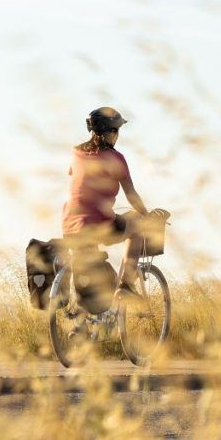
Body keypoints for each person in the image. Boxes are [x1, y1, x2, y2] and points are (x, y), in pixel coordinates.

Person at [61, 107, 152, 299]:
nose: (117, 135)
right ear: (108, 132)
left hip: (70, 225)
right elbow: (131, 194)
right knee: (137, 226)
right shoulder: (116, 158)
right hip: (98, 225)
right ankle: (127, 285)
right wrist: (145, 213)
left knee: (92, 271)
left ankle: (85, 323)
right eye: (116, 130)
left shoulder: (76, 153)